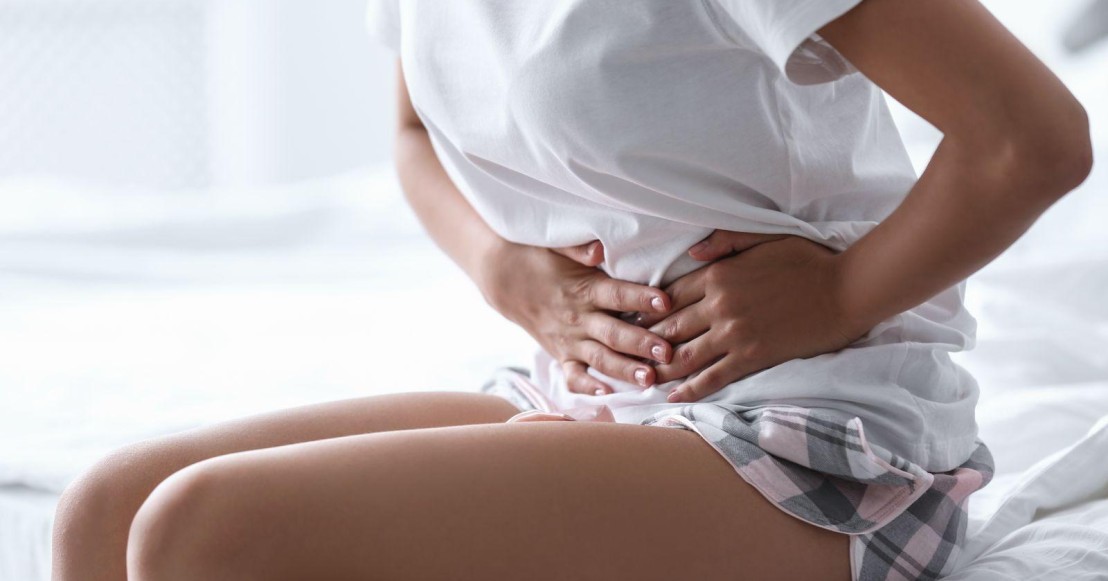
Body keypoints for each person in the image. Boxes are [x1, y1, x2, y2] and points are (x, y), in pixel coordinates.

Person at [52, 0, 1091, 579]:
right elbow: (413, 135)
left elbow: (1029, 138)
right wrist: (508, 274)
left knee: (205, 529)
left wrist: (835, 295)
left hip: (808, 437)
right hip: (594, 390)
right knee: (108, 509)